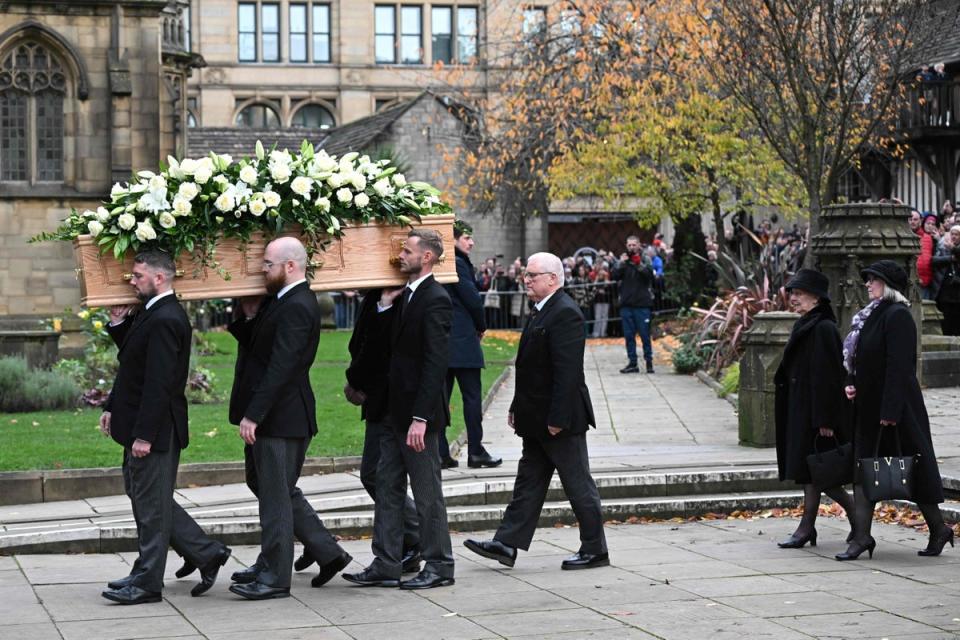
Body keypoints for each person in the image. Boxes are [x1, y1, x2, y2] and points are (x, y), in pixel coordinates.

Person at [100, 250, 231, 605]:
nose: (132, 280)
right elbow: (133, 364)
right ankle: (205, 553)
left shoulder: (166, 317)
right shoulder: (152, 312)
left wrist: (145, 435)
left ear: (160, 278)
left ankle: (147, 583)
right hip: (141, 426)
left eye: (138, 275)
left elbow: (160, 384)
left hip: (155, 431)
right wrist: (118, 324)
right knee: (145, 498)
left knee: (152, 506)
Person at [463, 252, 608, 571]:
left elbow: (567, 372)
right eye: (526, 275)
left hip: (559, 421)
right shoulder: (542, 310)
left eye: (533, 275)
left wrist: (557, 419)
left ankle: (595, 549)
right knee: (528, 482)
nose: (526, 280)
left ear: (553, 279)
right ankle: (506, 543)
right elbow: (529, 368)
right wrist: (517, 405)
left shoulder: (564, 313)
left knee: (577, 483)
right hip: (536, 419)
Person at [227, 237, 351, 599]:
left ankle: (275, 576)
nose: (262, 270)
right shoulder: (280, 301)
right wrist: (249, 315)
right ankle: (324, 552)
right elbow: (262, 349)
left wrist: (254, 415)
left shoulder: (297, 304)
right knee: (266, 488)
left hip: (282, 419)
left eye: (268, 264)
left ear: (290, 266)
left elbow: (282, 367)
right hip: (276, 417)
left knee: (276, 498)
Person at [343, 228, 456, 589]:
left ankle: (439, 564)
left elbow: (435, 363)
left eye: (407, 251)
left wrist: (421, 418)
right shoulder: (403, 297)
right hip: (392, 412)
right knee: (387, 487)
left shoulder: (435, 298)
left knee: (427, 494)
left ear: (427, 257)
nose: (400, 256)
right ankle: (386, 562)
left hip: (416, 417)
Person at [838, 260, 953, 560]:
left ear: (887, 284)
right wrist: (852, 382)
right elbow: (861, 358)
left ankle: (939, 529)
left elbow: (900, 367)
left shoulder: (898, 315)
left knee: (911, 472)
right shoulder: (871, 316)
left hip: (896, 410)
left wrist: (890, 411)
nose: (867, 284)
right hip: (870, 408)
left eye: (872, 279)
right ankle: (862, 537)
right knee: (865, 471)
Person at [340, 288, 423, 574]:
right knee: (377, 475)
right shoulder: (376, 298)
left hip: (391, 401)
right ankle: (412, 540)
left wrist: (356, 380)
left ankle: (416, 535)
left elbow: (378, 348)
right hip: (380, 399)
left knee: (378, 475)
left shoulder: (394, 301)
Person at [774, 269, 854, 549]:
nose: (793, 298)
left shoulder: (823, 328)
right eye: (792, 293)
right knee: (810, 472)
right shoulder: (808, 323)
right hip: (803, 411)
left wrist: (825, 419)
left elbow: (829, 378)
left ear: (817, 298)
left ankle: (855, 519)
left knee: (823, 474)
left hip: (816, 414)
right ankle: (807, 527)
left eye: (799, 293)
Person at [438, 221, 502, 469]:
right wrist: (482, 325)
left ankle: (442, 452)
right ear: (453, 239)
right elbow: (472, 298)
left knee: (441, 399)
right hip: (462, 339)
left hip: (443, 341)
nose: (471, 242)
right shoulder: (458, 262)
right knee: (472, 398)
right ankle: (475, 450)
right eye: (466, 237)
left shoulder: (444, 261)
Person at [611, 235, 655, 373]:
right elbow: (614, 276)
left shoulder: (645, 259)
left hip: (642, 304)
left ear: (639, 245)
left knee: (644, 335)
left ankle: (649, 362)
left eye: (634, 245)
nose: (631, 247)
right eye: (629, 245)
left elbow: (650, 276)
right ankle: (633, 363)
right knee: (629, 336)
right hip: (626, 304)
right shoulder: (624, 259)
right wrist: (621, 263)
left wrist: (638, 264)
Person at [935, 226, 960, 335]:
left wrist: (953, 249)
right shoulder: (942, 246)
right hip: (945, 291)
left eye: (957, 234)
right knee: (946, 322)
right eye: (952, 234)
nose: (954, 236)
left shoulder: (954, 248)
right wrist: (950, 258)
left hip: (958, 293)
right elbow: (933, 260)